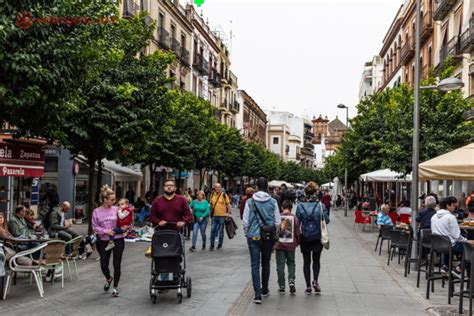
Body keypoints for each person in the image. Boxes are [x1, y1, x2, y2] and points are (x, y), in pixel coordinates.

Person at [243, 177, 281, 304]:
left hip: (253, 237)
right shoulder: (273, 202)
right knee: (266, 263)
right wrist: (273, 231)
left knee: (255, 265)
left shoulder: (250, 201)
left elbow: (245, 221)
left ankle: (257, 294)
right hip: (267, 237)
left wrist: (247, 232)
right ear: (267, 187)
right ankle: (264, 289)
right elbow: (277, 222)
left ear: (257, 187)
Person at [296, 181, 329, 295]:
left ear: (305, 192)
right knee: (316, 260)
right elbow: (327, 220)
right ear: (316, 192)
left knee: (306, 262)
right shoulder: (321, 206)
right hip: (317, 237)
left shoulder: (300, 206)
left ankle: (308, 286)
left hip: (305, 236)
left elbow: (297, 222)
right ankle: (315, 280)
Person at [92, 185, 125, 297]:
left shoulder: (117, 209)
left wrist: (126, 227)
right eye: (112, 199)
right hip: (104, 241)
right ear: (105, 199)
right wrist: (106, 231)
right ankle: (108, 278)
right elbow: (95, 227)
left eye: (114, 199)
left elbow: (126, 220)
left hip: (118, 239)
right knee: (103, 265)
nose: (114, 201)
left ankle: (115, 288)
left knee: (117, 264)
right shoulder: (96, 211)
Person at [431, 196, 466, 275]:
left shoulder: (433, 217)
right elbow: (457, 236)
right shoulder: (451, 217)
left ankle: (445, 266)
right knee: (469, 248)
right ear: (447, 205)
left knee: (448, 243)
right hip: (450, 245)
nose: (455, 207)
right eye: (453, 205)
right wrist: (466, 241)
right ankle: (458, 268)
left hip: (437, 246)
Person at [274, 200, 300, 295]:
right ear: (291, 208)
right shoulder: (294, 218)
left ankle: (281, 286)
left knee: (280, 266)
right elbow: (297, 232)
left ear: (282, 207)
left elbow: (275, 230)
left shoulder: (278, 217)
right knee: (291, 263)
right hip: (290, 245)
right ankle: (291, 280)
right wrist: (296, 242)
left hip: (279, 245)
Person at [209, 183, 231, 251]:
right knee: (212, 230)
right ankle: (212, 244)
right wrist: (209, 214)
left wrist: (228, 213)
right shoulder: (212, 195)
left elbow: (228, 205)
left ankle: (220, 244)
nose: (217, 188)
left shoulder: (224, 195)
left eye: (219, 187)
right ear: (214, 188)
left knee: (221, 231)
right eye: (216, 187)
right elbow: (211, 206)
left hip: (222, 216)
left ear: (220, 188)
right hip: (214, 216)